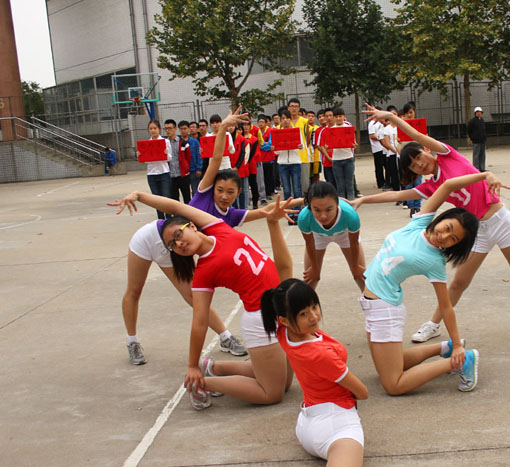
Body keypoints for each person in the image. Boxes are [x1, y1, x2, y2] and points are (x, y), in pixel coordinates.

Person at [355, 104, 510, 343]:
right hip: (476, 230)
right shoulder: (431, 186)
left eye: (419, 157)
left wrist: (390, 117)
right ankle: (433, 324)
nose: (419, 164)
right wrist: (363, 200)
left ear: (427, 150)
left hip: (500, 219)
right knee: (459, 282)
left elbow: (416, 135)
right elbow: (397, 195)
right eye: (414, 166)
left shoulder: (447, 154)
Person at [111, 109, 277, 365]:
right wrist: (138, 195)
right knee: (134, 290)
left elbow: (264, 212)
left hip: (176, 249)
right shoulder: (203, 195)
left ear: (238, 194)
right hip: (151, 238)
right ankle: (132, 341)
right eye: (220, 189)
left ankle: (225, 337)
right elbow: (214, 161)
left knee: (192, 297)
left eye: (230, 192)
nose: (224, 195)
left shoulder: (229, 217)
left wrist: (302, 203)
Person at [111, 190, 296, 410]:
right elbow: (199, 321)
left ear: (191, 226)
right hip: (260, 318)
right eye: (172, 245)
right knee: (272, 394)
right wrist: (191, 366)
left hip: (279, 309)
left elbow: (176, 207)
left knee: (285, 384)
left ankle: (214, 368)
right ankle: (201, 383)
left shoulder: (217, 227)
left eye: (178, 235)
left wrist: (139, 196)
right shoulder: (203, 273)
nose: (178, 244)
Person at [359, 170, 489, 396]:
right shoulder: (419, 223)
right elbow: (448, 185)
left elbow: (446, 306)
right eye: (447, 228)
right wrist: (484, 175)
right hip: (371, 304)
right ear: (442, 219)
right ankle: (445, 349)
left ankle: (462, 360)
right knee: (390, 365)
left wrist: (459, 344)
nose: (444, 237)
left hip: (385, 309)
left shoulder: (434, 261)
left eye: (453, 239)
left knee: (394, 385)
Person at [260, 279, 367, 465]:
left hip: (307, 422)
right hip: (337, 425)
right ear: (284, 320)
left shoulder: (284, 333)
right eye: (303, 313)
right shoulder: (321, 355)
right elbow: (362, 392)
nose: (314, 316)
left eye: (314, 307)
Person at [299, 181, 366, 292]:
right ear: (310, 206)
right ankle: (306, 303)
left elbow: (354, 243)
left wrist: (355, 267)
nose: (323, 216)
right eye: (317, 210)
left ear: (337, 203)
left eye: (329, 209)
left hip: (345, 234)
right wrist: (315, 268)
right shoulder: (304, 217)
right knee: (311, 279)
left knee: (361, 276)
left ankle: (372, 301)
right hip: (318, 236)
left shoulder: (350, 215)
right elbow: (309, 243)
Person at [138, 120, 171, 219]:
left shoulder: (165, 141)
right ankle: (160, 219)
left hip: (164, 172)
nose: (153, 130)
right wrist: (140, 155)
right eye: (151, 129)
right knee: (156, 199)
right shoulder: (147, 143)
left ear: (159, 129)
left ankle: (168, 219)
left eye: (155, 128)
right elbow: (145, 161)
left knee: (166, 197)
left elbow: (170, 158)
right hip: (151, 174)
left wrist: (166, 154)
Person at [331, 107, 356, 201]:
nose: (338, 118)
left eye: (340, 116)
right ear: (333, 118)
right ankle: (342, 204)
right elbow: (328, 144)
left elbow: (353, 142)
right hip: (336, 159)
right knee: (340, 186)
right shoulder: (331, 130)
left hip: (348, 158)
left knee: (349, 184)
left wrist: (354, 145)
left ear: (344, 117)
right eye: (336, 117)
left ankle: (351, 204)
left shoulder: (348, 128)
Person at [164, 119, 191, 204]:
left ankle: (188, 213)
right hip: (171, 176)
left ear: (175, 128)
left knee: (187, 198)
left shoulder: (183, 143)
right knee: (174, 200)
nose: (168, 131)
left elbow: (188, 158)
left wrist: (186, 168)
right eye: (166, 128)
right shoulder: (164, 143)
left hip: (183, 175)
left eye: (170, 128)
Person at [368, 106, 386, 190]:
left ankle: (386, 181)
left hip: (384, 148)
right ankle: (380, 183)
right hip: (377, 148)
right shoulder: (372, 123)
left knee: (386, 166)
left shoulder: (381, 123)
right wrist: (380, 139)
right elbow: (371, 135)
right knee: (379, 167)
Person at [182, 121, 202, 196]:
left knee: (195, 191)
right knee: (185, 192)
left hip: (193, 170)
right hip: (183, 172)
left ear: (188, 129)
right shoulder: (179, 142)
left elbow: (199, 155)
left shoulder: (195, 141)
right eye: (181, 129)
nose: (183, 131)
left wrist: (199, 168)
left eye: (185, 128)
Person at [467, 106, 487, 171]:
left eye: (480, 112)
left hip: (482, 140)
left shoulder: (482, 120)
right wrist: (472, 138)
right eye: (477, 112)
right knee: (476, 155)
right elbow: (469, 130)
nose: (479, 113)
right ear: (475, 113)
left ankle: (482, 168)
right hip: (476, 141)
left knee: (482, 154)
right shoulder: (472, 121)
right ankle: (476, 168)